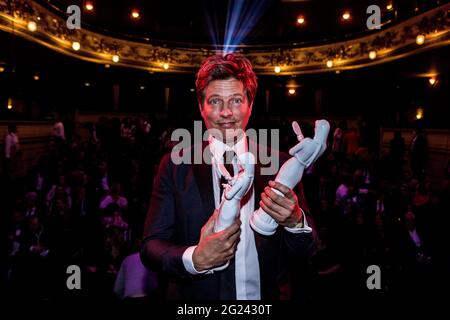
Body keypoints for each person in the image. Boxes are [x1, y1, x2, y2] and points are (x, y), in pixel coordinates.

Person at [140, 54, 314, 300]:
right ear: (201, 107)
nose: (225, 113)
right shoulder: (175, 165)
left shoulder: (281, 164)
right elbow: (151, 247)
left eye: (235, 100)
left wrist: (295, 221)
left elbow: (306, 251)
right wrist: (196, 258)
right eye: (214, 101)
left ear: (250, 105)